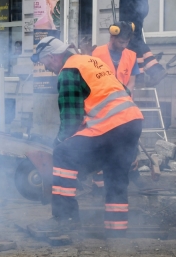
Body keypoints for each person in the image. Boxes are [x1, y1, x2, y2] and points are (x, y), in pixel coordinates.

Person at [30, 37, 143, 237]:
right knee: (115, 175)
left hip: (112, 127)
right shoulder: (92, 62)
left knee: (64, 153)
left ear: (53, 56)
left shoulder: (68, 71)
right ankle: (117, 234)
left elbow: (70, 119)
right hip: (132, 122)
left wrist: (57, 145)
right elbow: (122, 91)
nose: (47, 68)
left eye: (45, 63)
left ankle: (65, 219)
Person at [91, 21, 143, 194]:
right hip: (102, 107)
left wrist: (125, 95)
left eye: (127, 42)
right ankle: (98, 183)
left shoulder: (131, 56)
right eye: (121, 41)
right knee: (103, 142)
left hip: (124, 107)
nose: (124, 45)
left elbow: (133, 81)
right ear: (112, 36)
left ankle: (130, 175)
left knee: (127, 144)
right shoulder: (97, 53)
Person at [119, 0, 167, 87]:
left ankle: (139, 75)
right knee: (136, 38)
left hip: (131, 7)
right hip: (138, 7)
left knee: (131, 39)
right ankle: (155, 69)